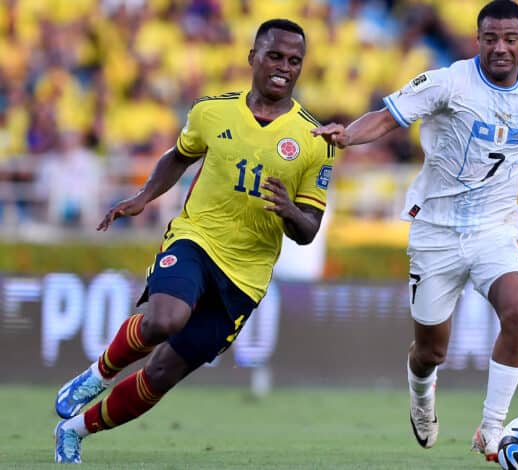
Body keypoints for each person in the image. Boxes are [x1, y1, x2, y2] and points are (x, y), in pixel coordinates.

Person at [314, 0, 518, 462]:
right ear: (477, 39)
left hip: (497, 227)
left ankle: (491, 428)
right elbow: (388, 116)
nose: (500, 47)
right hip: (436, 232)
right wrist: (349, 136)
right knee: (431, 351)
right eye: (490, 39)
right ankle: (422, 395)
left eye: (509, 39)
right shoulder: (447, 82)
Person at [53, 19, 336, 463]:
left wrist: (290, 211)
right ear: (252, 58)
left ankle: (74, 430)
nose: (285, 67)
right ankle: (96, 374)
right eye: (275, 56)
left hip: (245, 276)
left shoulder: (315, 141)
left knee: (163, 372)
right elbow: (179, 155)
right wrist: (144, 197)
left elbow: (309, 230)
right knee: (165, 318)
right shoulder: (212, 111)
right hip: (196, 238)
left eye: (295, 60)